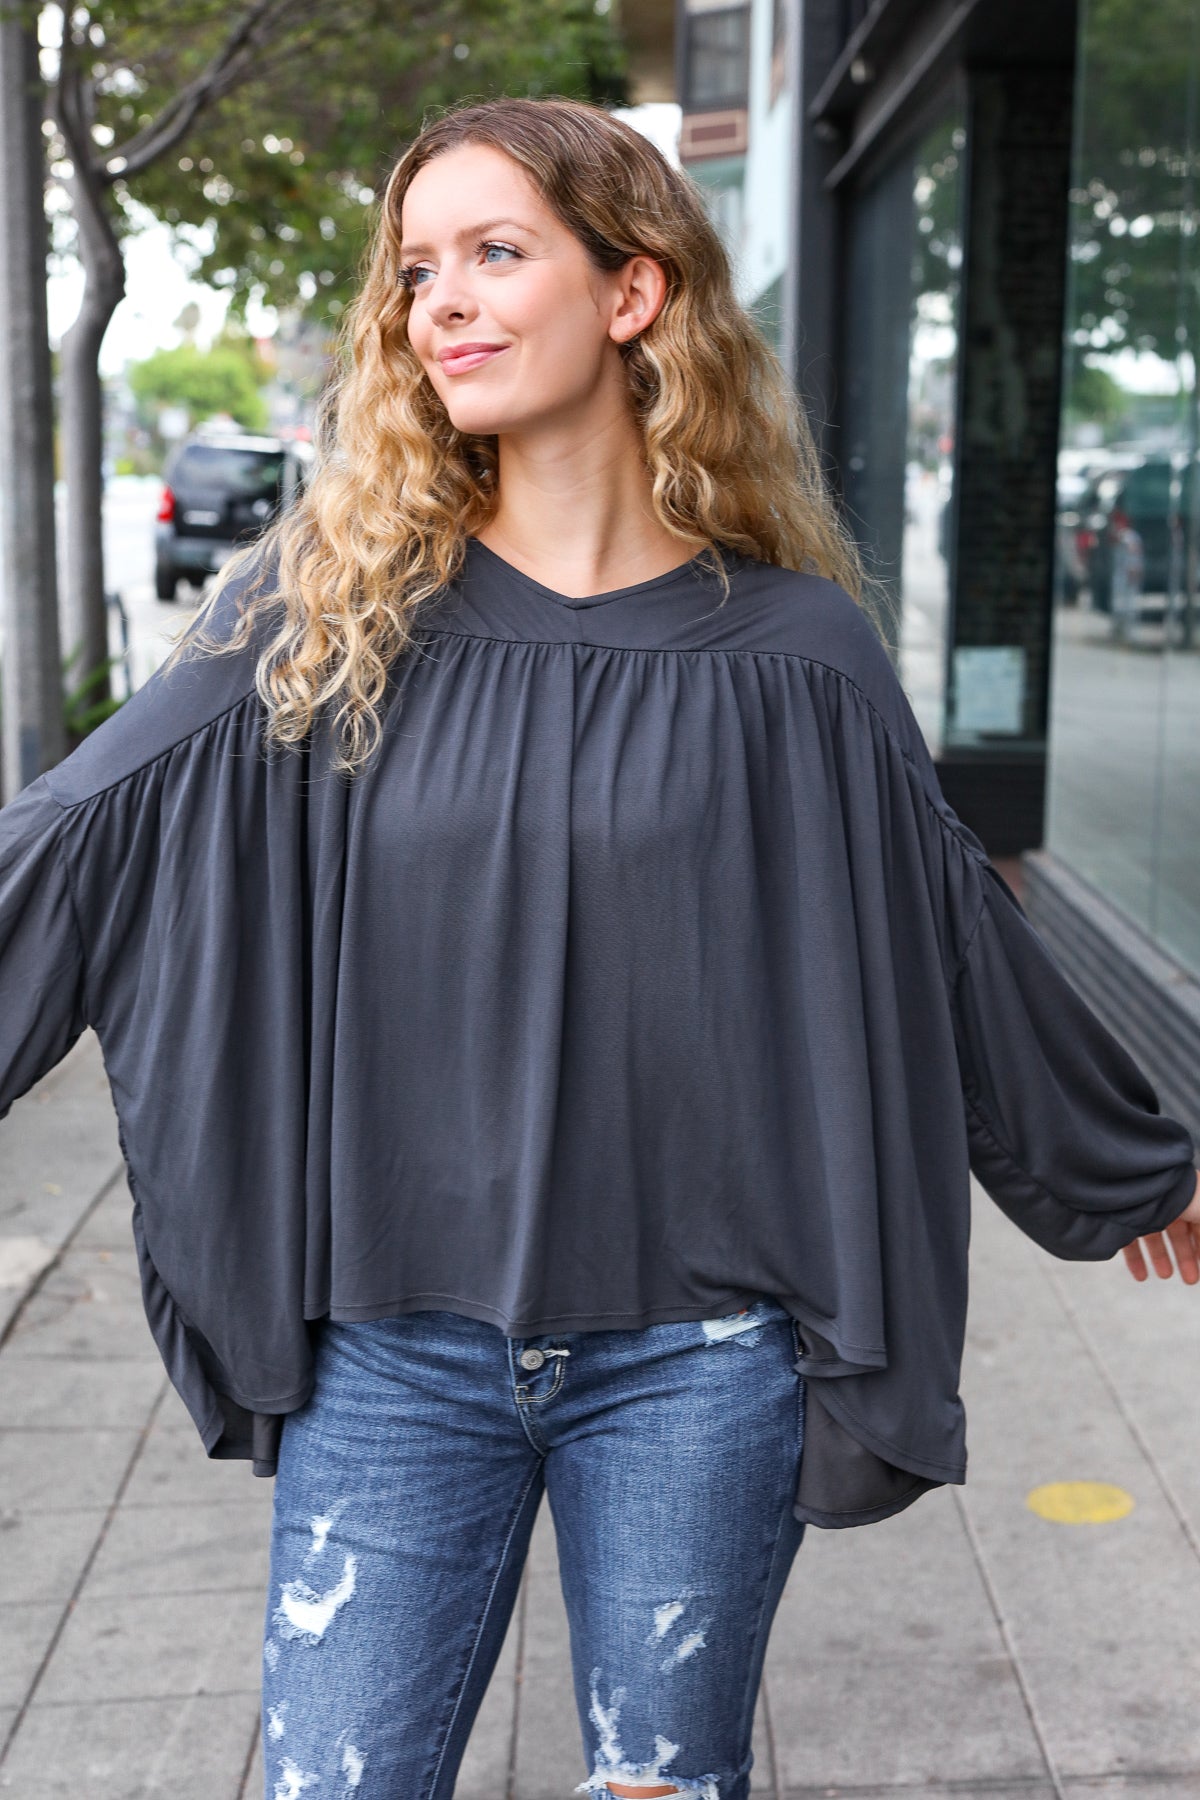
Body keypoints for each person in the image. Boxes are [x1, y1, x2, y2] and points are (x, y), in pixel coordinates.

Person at [1, 94, 1197, 1800]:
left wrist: (1134, 1166)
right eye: (419, 269)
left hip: (698, 1363)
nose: (444, 302)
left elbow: (948, 934)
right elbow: (69, 840)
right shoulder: (319, 620)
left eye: (497, 252)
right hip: (392, 1353)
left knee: (662, 1786)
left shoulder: (795, 655)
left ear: (634, 291)